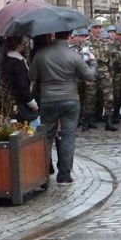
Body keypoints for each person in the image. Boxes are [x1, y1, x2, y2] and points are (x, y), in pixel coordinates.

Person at [29, 30, 96, 185]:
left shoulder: (41, 54)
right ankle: (64, 176)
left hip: (48, 100)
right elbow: (90, 76)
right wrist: (92, 62)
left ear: (54, 36)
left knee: (46, 138)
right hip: (70, 99)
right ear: (68, 36)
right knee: (68, 137)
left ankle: (42, 174)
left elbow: (32, 76)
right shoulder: (74, 55)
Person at [1, 36, 39, 125]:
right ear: (18, 45)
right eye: (23, 43)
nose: (24, 45)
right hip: (21, 101)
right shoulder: (18, 62)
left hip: (10, 101)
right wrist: (32, 103)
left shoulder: (6, 60)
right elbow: (22, 84)